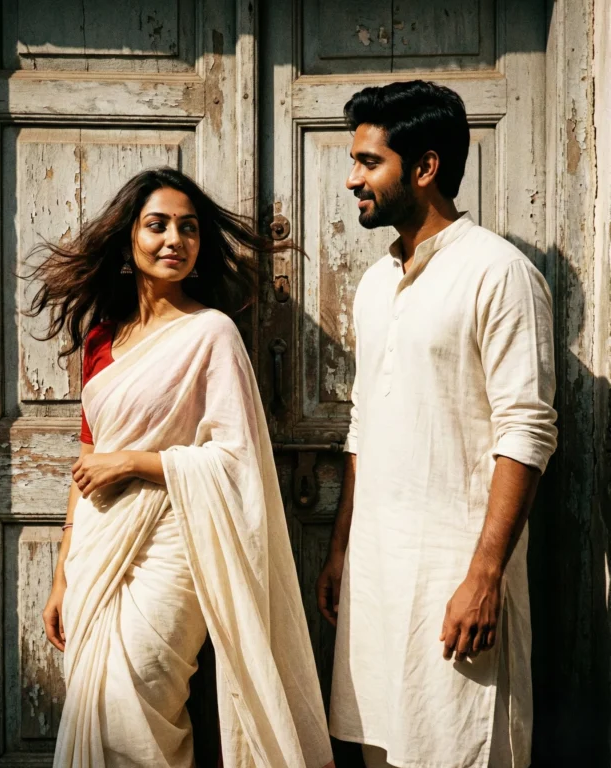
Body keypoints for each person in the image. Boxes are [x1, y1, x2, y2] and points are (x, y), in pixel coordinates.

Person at [30, 167, 334, 768]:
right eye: (157, 225)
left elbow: (236, 458)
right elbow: (89, 457)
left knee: (138, 705)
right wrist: (63, 571)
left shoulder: (211, 333)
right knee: (100, 708)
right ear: (128, 242)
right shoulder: (102, 339)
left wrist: (136, 463)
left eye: (188, 228)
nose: (174, 239)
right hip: (98, 546)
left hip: (175, 547)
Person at [316, 81, 557, 768]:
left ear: (424, 168)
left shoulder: (499, 274)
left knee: (458, 747)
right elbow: (364, 424)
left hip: (456, 582)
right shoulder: (374, 283)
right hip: (378, 579)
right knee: (382, 748)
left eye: (369, 162)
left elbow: (526, 431)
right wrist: (341, 549)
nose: (351, 178)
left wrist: (485, 575)